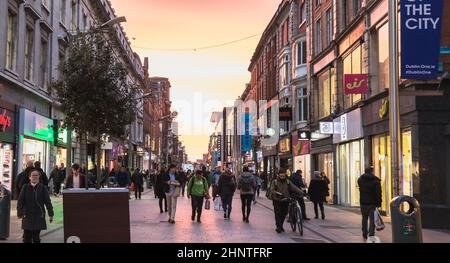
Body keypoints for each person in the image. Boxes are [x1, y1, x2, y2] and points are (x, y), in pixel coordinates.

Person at [17, 169, 54, 243]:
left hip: (39, 215)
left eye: (36, 175)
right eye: (33, 175)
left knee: (36, 237)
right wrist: (19, 212)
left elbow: (48, 202)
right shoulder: (25, 187)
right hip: (27, 215)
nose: (35, 176)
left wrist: (51, 214)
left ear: (39, 177)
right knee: (27, 237)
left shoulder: (43, 188)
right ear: (29, 177)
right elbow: (20, 201)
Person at [271, 169, 305, 233]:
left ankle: (280, 225)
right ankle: (278, 226)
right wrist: (277, 193)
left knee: (284, 213)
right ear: (278, 175)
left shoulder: (288, 181)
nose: (282, 177)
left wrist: (302, 193)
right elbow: (272, 190)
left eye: (283, 176)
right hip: (277, 200)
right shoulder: (274, 182)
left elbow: (294, 188)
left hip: (286, 199)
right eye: (281, 176)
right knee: (278, 213)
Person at [358, 167, 382, 240]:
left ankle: (364, 232)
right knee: (372, 219)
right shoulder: (375, 181)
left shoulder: (360, 180)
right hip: (372, 203)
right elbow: (378, 193)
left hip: (363, 202)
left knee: (364, 218)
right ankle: (371, 233)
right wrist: (379, 203)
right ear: (372, 172)